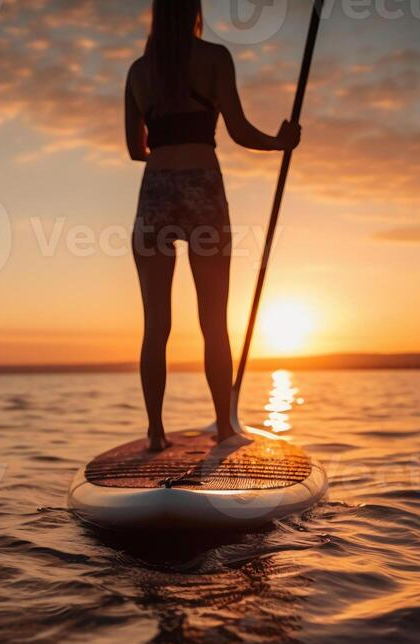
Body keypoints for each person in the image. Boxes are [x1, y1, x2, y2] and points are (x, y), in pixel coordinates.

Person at [125, 0, 301, 451]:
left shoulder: (139, 72)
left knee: (155, 326)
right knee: (213, 320)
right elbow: (240, 131)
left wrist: (164, 145)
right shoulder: (215, 58)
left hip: (155, 193)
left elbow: (134, 149)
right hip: (203, 188)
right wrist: (279, 143)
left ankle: (155, 433)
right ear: (194, 11)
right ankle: (224, 427)